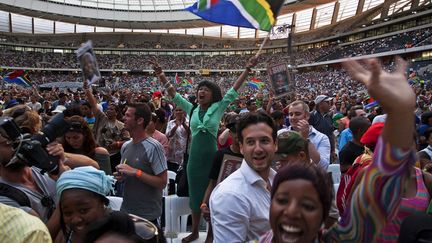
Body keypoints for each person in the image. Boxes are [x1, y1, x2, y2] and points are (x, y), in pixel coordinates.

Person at [151, 56, 257, 242]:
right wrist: (161, 75)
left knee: (213, 196)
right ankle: (194, 232)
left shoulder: (218, 107)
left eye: (206, 90)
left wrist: (247, 70)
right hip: (194, 161)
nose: (201, 92)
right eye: (200, 89)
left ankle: (210, 233)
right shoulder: (190, 109)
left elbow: (234, 90)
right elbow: (173, 94)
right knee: (195, 196)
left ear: (213, 94)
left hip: (212, 159)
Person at [210, 112, 277, 242]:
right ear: (241, 147)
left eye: (264, 140)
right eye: (250, 142)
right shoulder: (230, 195)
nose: (258, 149)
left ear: (275, 144)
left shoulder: (278, 179)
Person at [115, 103, 168, 228]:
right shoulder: (126, 146)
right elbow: (130, 174)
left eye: (128, 115)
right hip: (127, 212)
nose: (123, 118)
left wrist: (136, 172)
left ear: (139, 120)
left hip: (148, 216)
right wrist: (122, 176)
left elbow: (162, 182)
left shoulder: (154, 147)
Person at [201, 113, 243, 243]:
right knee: (212, 236)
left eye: (240, 131)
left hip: (241, 204)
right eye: (234, 131)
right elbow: (212, 182)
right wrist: (204, 203)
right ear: (230, 133)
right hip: (221, 202)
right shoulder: (220, 155)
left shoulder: (251, 156)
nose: (237, 135)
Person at [55, 166, 115, 243]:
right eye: (68, 213)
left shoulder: (121, 235)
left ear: (102, 202)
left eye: (83, 210)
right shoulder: (65, 235)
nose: (76, 219)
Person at [278, 100, 330, 170]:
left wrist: (305, 140)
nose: (293, 117)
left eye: (297, 114)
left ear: (307, 116)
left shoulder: (321, 138)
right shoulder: (280, 134)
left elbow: (323, 166)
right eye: (290, 114)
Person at [165, 106, 189, 172]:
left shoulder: (188, 122)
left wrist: (183, 124)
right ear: (174, 112)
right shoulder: (171, 123)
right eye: (176, 110)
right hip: (172, 154)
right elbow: (168, 135)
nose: (178, 112)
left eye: (180, 110)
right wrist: (176, 126)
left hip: (184, 153)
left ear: (184, 111)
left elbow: (191, 135)